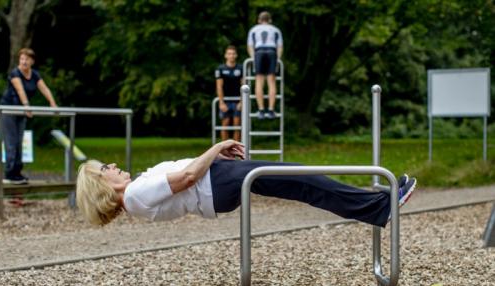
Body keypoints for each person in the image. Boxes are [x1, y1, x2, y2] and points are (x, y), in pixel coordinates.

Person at [76, 140, 417, 226]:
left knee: (300, 178)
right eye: (106, 166)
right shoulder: (134, 194)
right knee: (300, 179)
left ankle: (376, 205)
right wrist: (218, 147)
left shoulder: (136, 194)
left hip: (217, 184)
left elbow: (189, 176)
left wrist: (216, 158)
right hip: (215, 186)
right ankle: (378, 206)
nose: (115, 165)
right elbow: (188, 176)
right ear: (100, 184)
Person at [0, 48, 58, 184]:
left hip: (21, 112)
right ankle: (9, 174)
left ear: (32, 61)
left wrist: (52, 103)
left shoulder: (34, 74)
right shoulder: (15, 73)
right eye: (21, 59)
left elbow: (44, 88)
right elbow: (20, 91)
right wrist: (26, 106)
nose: (23, 61)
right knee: (11, 142)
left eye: (26, 59)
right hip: (9, 110)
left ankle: (17, 172)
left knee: (19, 142)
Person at [247, 11, 283, 119]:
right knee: (271, 81)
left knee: (259, 81)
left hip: (259, 52)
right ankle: (271, 109)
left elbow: (250, 46)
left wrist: (253, 58)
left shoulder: (253, 29)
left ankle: (261, 109)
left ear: (259, 20)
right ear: (270, 20)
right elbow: (280, 46)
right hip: (272, 52)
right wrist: (278, 60)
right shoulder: (276, 30)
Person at [215, 45, 243, 141]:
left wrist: (241, 101)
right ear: (225, 55)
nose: (231, 56)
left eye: (233, 54)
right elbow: (219, 86)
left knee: (237, 125)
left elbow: (244, 86)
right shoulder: (220, 69)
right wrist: (221, 102)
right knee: (225, 125)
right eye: (229, 54)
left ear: (236, 55)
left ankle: (235, 151)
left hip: (237, 101)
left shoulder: (241, 68)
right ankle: (225, 151)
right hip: (225, 101)